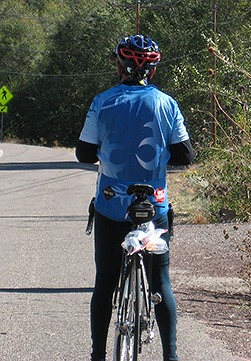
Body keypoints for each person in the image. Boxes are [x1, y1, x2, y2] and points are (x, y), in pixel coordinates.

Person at [76, 34, 194, 361]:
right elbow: (184, 155)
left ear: (119, 66)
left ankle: (98, 355)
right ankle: (170, 356)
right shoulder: (167, 104)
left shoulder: (102, 101)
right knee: (161, 283)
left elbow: (84, 153)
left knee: (105, 284)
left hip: (111, 206)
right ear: (152, 71)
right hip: (153, 208)